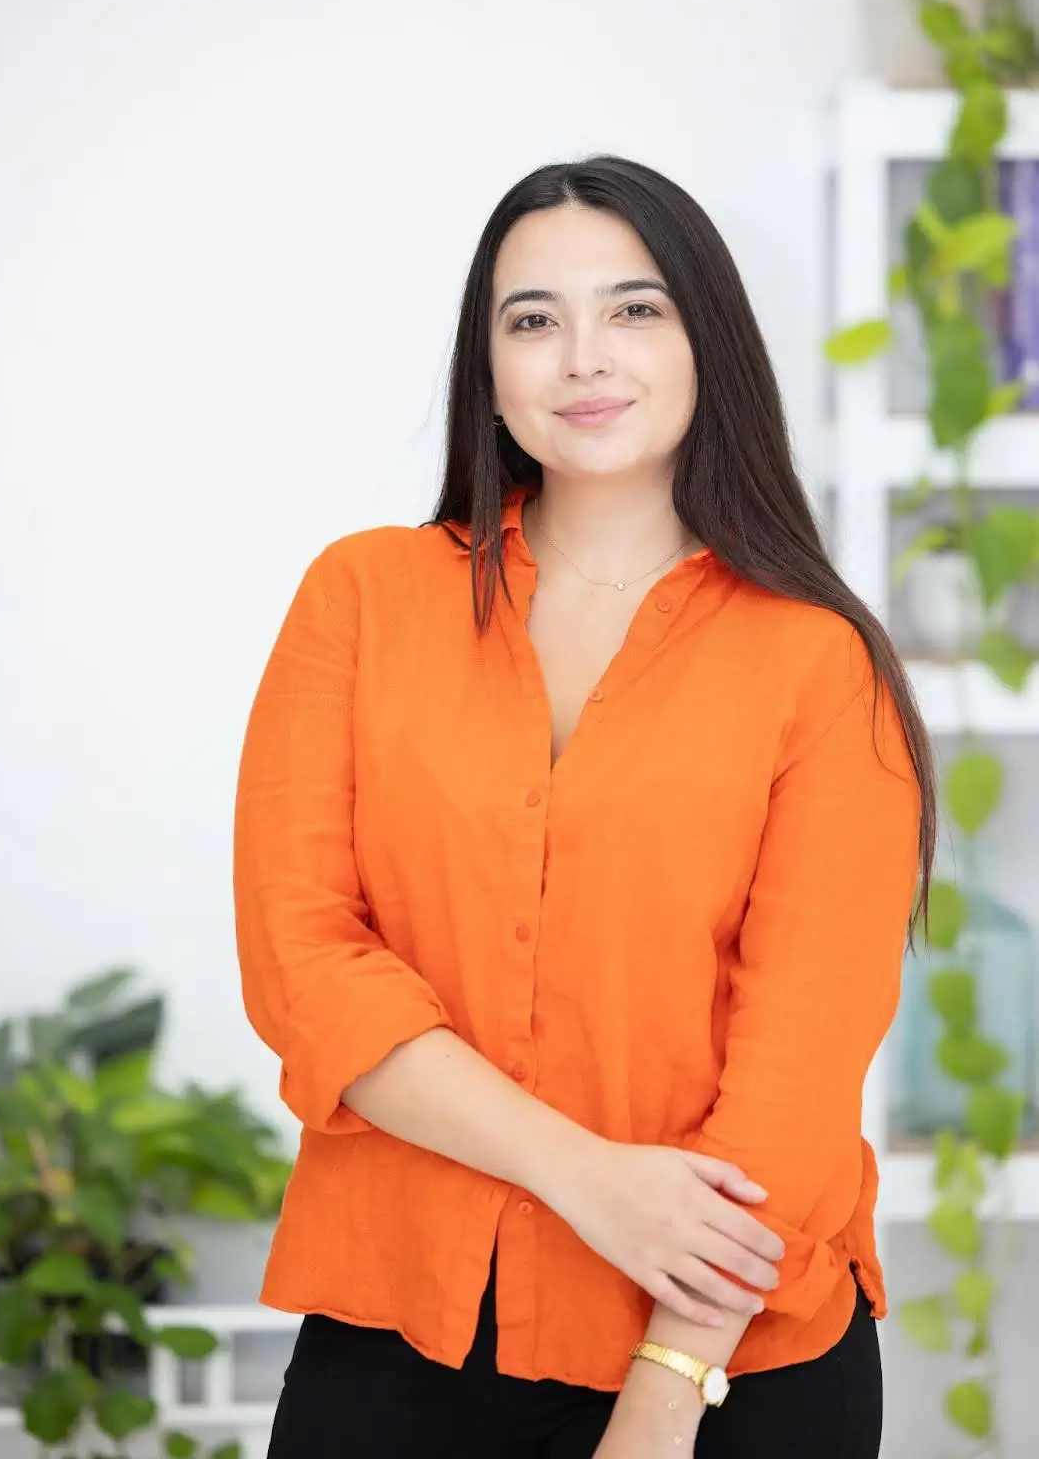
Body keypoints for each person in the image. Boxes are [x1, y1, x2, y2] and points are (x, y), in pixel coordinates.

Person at [232, 153, 935, 1459]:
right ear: (486, 366)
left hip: (725, 1365)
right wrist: (584, 1176)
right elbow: (305, 969)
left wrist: (664, 1395)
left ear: (703, 342)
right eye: (532, 320)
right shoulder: (363, 599)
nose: (581, 358)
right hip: (400, 1334)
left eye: (633, 308)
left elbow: (795, 1067)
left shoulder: (813, 659)